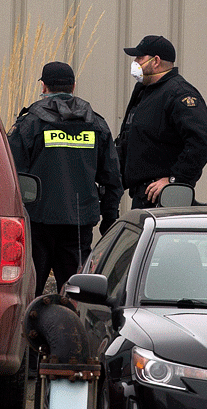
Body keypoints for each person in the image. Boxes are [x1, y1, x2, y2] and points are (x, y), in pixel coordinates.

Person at [8, 61, 123, 294]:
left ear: (43, 86)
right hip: (79, 225)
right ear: (73, 86)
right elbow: (112, 178)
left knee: (30, 292)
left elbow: (11, 174)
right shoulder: (96, 123)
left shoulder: (31, 123)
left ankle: (31, 329)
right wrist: (110, 220)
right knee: (76, 293)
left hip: (37, 224)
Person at [117, 35, 207, 209]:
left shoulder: (179, 93)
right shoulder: (144, 91)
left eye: (140, 58)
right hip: (142, 195)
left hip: (164, 200)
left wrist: (175, 180)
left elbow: (201, 141)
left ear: (156, 61)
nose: (135, 62)